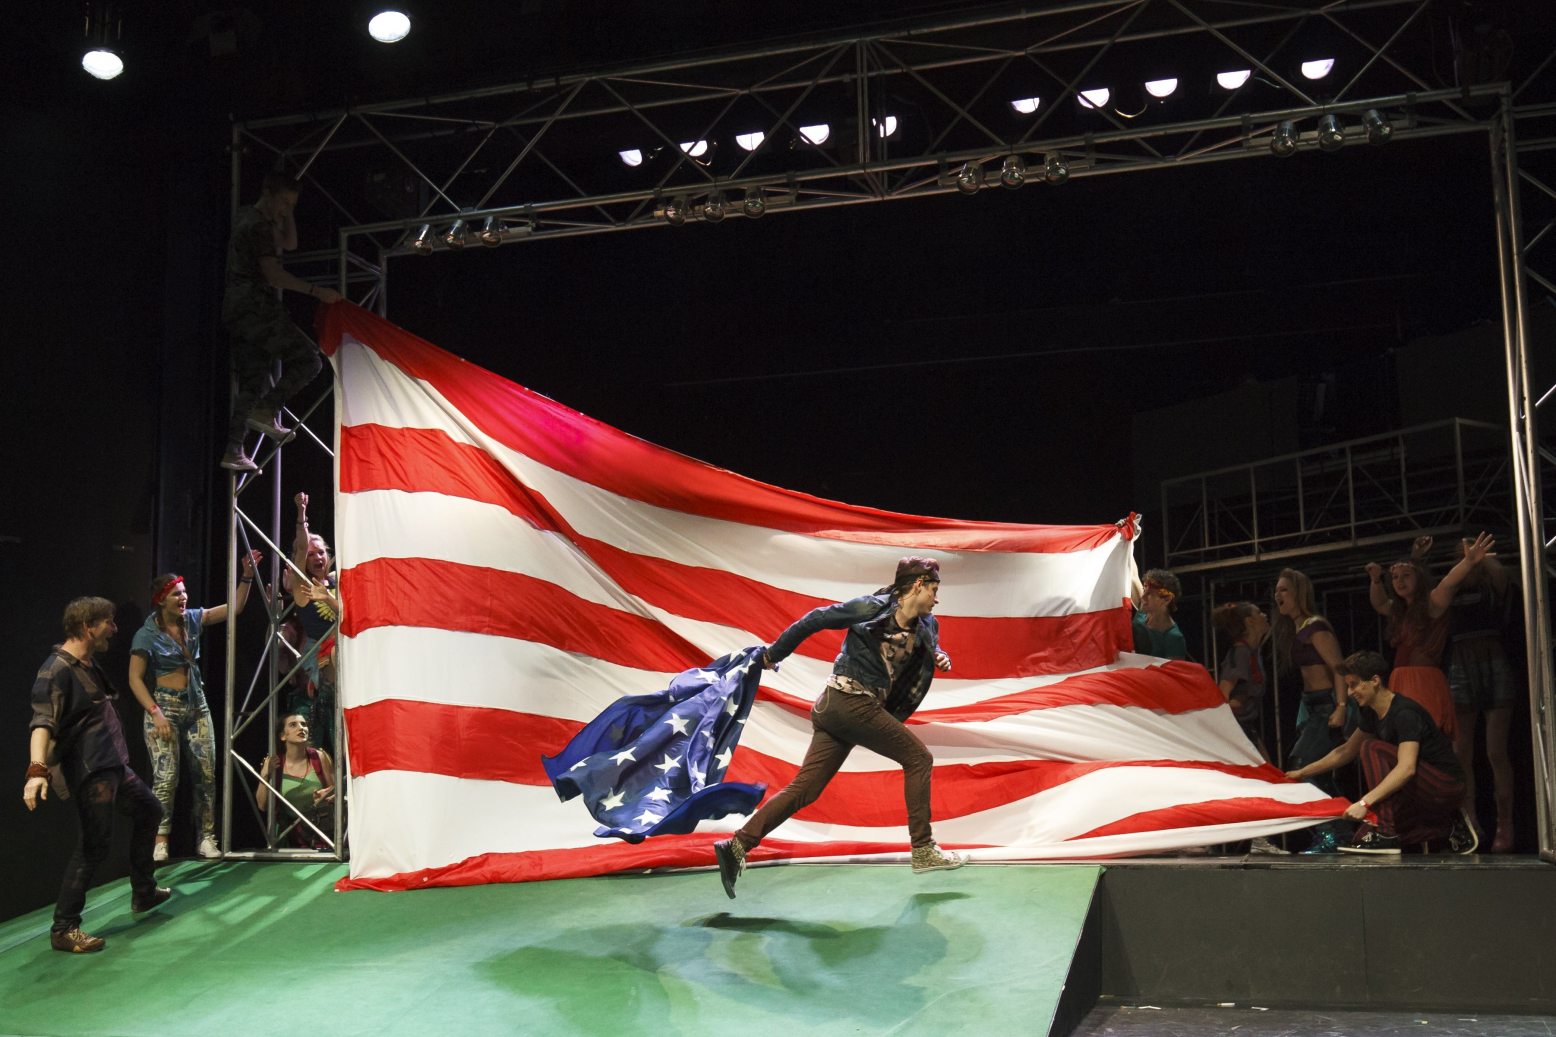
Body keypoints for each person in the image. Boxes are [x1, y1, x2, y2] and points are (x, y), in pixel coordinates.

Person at [713, 557, 964, 898]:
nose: (936, 598)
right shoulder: (870, 608)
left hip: (839, 709)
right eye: (934, 589)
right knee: (919, 759)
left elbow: (929, 647)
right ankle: (923, 849)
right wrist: (773, 655)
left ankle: (737, 846)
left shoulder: (927, 625)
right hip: (849, 702)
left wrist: (940, 655)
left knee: (806, 789)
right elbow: (816, 618)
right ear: (918, 584)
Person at [24, 597, 169, 953]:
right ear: (88, 626)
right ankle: (64, 928)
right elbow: (42, 723)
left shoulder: (85, 664)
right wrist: (37, 770)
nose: (114, 629)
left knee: (150, 810)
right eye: (109, 622)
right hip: (92, 772)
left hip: (113, 765)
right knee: (93, 846)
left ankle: (144, 891)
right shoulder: (55, 669)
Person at [128, 552, 262, 861]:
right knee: (166, 777)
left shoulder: (190, 619)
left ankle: (206, 837)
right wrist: (155, 713)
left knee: (205, 775)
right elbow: (134, 679)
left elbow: (234, 608)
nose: (183, 598)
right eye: (177, 594)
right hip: (164, 708)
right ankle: (160, 840)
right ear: (161, 600)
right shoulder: (146, 635)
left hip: (196, 705)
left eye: (184, 592)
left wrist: (246, 575)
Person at [1286, 650, 1475, 855]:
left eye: (1354, 685)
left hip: (1444, 785)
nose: (1349, 692)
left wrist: (1365, 802)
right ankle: (1446, 825)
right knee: (1361, 839)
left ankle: (1386, 834)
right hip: (1416, 790)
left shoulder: (1404, 712)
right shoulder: (1371, 713)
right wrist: (1302, 773)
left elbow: (1407, 768)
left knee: (1371, 747)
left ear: (1375, 681)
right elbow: (1345, 751)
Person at [220, 169, 343, 473]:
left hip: (237, 309)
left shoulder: (247, 216)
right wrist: (317, 292)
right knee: (310, 360)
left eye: (292, 205)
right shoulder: (258, 227)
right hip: (254, 308)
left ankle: (234, 449)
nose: (286, 210)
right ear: (268, 194)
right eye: (284, 203)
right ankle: (268, 408)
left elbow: (290, 244)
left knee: (253, 379)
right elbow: (275, 275)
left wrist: (286, 214)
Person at [1365, 532, 1496, 743]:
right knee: (1405, 739)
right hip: (1400, 680)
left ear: (1420, 578)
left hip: (1423, 681)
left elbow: (1448, 583)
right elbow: (1379, 603)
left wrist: (1468, 562)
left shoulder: (1432, 603)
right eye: (1395, 577)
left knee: (1422, 738)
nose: (1399, 581)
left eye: (1406, 576)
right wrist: (1375, 580)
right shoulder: (1399, 610)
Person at [1436, 536, 1521, 852]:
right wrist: (1466, 562)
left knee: (1496, 751)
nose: (1469, 554)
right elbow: (1440, 592)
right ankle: (1469, 820)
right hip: (1461, 663)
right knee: (1461, 751)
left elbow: (1502, 577)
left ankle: (1505, 824)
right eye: (1462, 552)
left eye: (1472, 550)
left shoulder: (1492, 582)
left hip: (1493, 659)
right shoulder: (1454, 585)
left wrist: (1483, 558)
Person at [1271, 567, 1350, 853]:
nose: (1278, 595)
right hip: (1313, 704)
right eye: (1276, 590)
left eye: (1284, 590)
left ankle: (1332, 833)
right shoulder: (1296, 628)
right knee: (1318, 772)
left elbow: (1339, 668)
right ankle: (1341, 830)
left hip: (1328, 704)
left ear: (1299, 593)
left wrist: (1341, 707)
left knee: (1303, 767)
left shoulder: (1315, 627)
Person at [283, 491, 340, 750]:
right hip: (325, 655)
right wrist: (302, 514)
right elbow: (301, 547)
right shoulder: (302, 587)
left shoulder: (337, 580)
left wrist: (328, 595)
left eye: (321, 553)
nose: (317, 557)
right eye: (311, 554)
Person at [256, 713, 336, 849]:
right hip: (290, 835)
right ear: (283, 736)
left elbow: (335, 792)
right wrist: (265, 774)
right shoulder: (275, 763)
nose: (301, 728)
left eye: (303, 724)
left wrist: (325, 797)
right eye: (293, 725)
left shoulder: (319, 757)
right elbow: (262, 805)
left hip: (321, 831)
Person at [1213, 602, 1272, 756]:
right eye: (1259, 613)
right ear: (1249, 621)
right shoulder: (1240, 654)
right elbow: (1222, 696)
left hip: (1245, 727)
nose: (1264, 615)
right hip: (1236, 730)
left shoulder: (1252, 652)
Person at [1131, 568, 1188, 660]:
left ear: (1166, 599)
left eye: (1150, 594)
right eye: (1144, 591)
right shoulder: (1143, 612)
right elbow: (1131, 574)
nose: (1143, 597)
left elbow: (1172, 669)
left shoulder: (1174, 638)